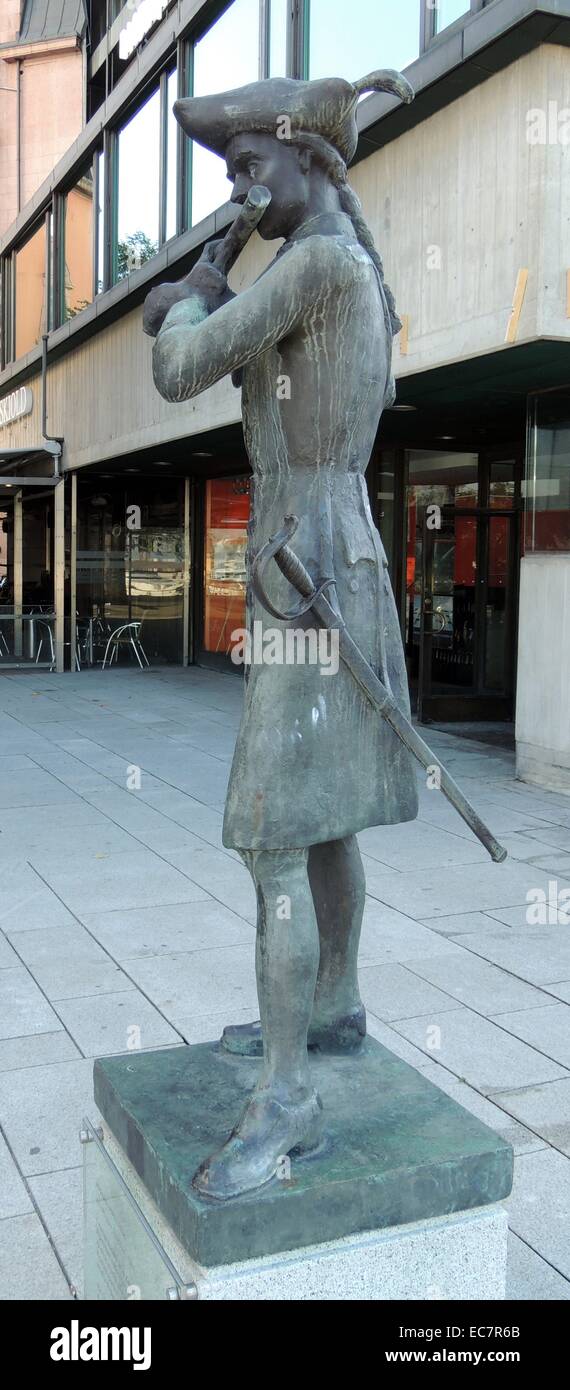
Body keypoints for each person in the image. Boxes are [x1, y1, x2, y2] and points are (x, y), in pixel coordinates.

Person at [151, 68, 418, 1199]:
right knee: (325, 820)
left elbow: (175, 372)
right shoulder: (343, 262)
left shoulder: (314, 263)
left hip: (308, 572)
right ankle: (336, 1005)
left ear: (312, 159)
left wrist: (188, 300)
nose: (241, 188)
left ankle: (285, 1093)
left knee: (274, 837)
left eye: (253, 165)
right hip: (334, 558)